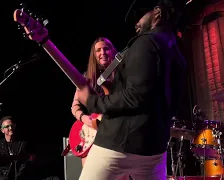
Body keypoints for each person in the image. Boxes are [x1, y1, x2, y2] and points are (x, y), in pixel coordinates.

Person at [76, 0, 187, 179]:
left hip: (118, 144)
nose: (136, 23)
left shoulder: (145, 42)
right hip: (154, 150)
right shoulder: (177, 51)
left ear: (157, 13)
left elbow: (135, 96)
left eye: (139, 16)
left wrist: (92, 101)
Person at [70, 37, 117, 166]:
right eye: (98, 50)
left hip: (114, 134)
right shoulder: (86, 77)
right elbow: (75, 106)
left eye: (106, 49)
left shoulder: (121, 75)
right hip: (91, 136)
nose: (102, 53)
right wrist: (84, 118)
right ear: (94, 55)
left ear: (112, 51)